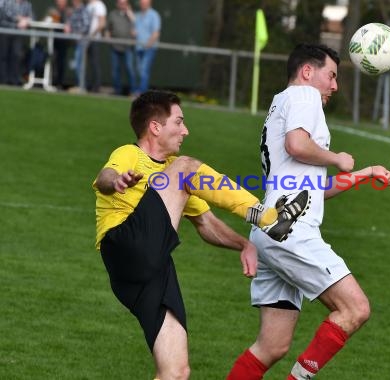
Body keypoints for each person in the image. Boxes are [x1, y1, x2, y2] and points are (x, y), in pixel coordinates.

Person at [93, 90, 309, 379]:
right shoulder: (129, 154)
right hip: (124, 245)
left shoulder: (176, 185)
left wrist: (243, 243)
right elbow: (105, 177)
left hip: (152, 269)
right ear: (155, 127)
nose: (186, 130)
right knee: (186, 166)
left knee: (176, 371)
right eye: (179, 122)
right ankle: (267, 218)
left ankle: (265, 223)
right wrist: (117, 180)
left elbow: (206, 224)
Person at [227, 43, 390, 380]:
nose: (335, 86)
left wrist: (363, 174)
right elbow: (297, 145)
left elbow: (312, 189)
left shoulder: (281, 103)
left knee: (272, 346)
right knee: (355, 308)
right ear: (308, 72)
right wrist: (335, 157)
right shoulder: (303, 97)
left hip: (270, 227)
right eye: (331, 76)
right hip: (289, 227)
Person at [0, 0, 34, 85]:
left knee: (16, 56)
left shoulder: (27, 4)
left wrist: (27, 20)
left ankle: (14, 79)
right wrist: (19, 19)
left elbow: (32, 16)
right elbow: (5, 14)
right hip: (5, 31)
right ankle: (3, 79)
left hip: (18, 34)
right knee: (4, 55)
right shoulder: (7, 2)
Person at [106, 0, 135, 95]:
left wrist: (130, 14)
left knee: (129, 68)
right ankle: (117, 91)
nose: (122, 5)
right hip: (115, 46)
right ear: (117, 4)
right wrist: (107, 37)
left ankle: (133, 91)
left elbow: (136, 25)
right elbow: (108, 29)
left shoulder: (131, 15)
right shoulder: (112, 14)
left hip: (128, 47)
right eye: (120, 3)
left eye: (124, 3)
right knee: (115, 70)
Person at [134, 0, 160, 94]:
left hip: (149, 48)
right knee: (139, 70)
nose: (143, 4)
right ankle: (139, 90)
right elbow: (135, 30)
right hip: (138, 48)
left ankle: (142, 92)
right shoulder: (137, 15)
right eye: (142, 3)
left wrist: (149, 44)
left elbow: (156, 33)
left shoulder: (154, 15)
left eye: (145, 3)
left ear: (149, 3)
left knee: (144, 70)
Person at [64, 0, 89, 90]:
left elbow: (86, 26)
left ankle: (82, 86)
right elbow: (70, 23)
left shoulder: (83, 10)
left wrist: (77, 33)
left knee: (80, 65)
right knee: (77, 64)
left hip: (81, 42)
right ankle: (79, 85)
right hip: (75, 42)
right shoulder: (74, 10)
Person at [85, 0, 107, 92]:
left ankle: (96, 86)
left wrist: (92, 35)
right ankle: (88, 85)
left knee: (95, 63)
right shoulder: (88, 6)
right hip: (86, 39)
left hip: (94, 39)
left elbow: (102, 23)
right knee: (88, 63)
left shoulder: (99, 5)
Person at [49, 0, 71, 89]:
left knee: (61, 61)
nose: (60, 2)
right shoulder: (52, 10)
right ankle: (52, 81)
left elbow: (70, 23)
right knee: (52, 60)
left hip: (63, 41)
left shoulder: (69, 11)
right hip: (53, 40)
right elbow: (45, 21)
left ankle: (60, 82)